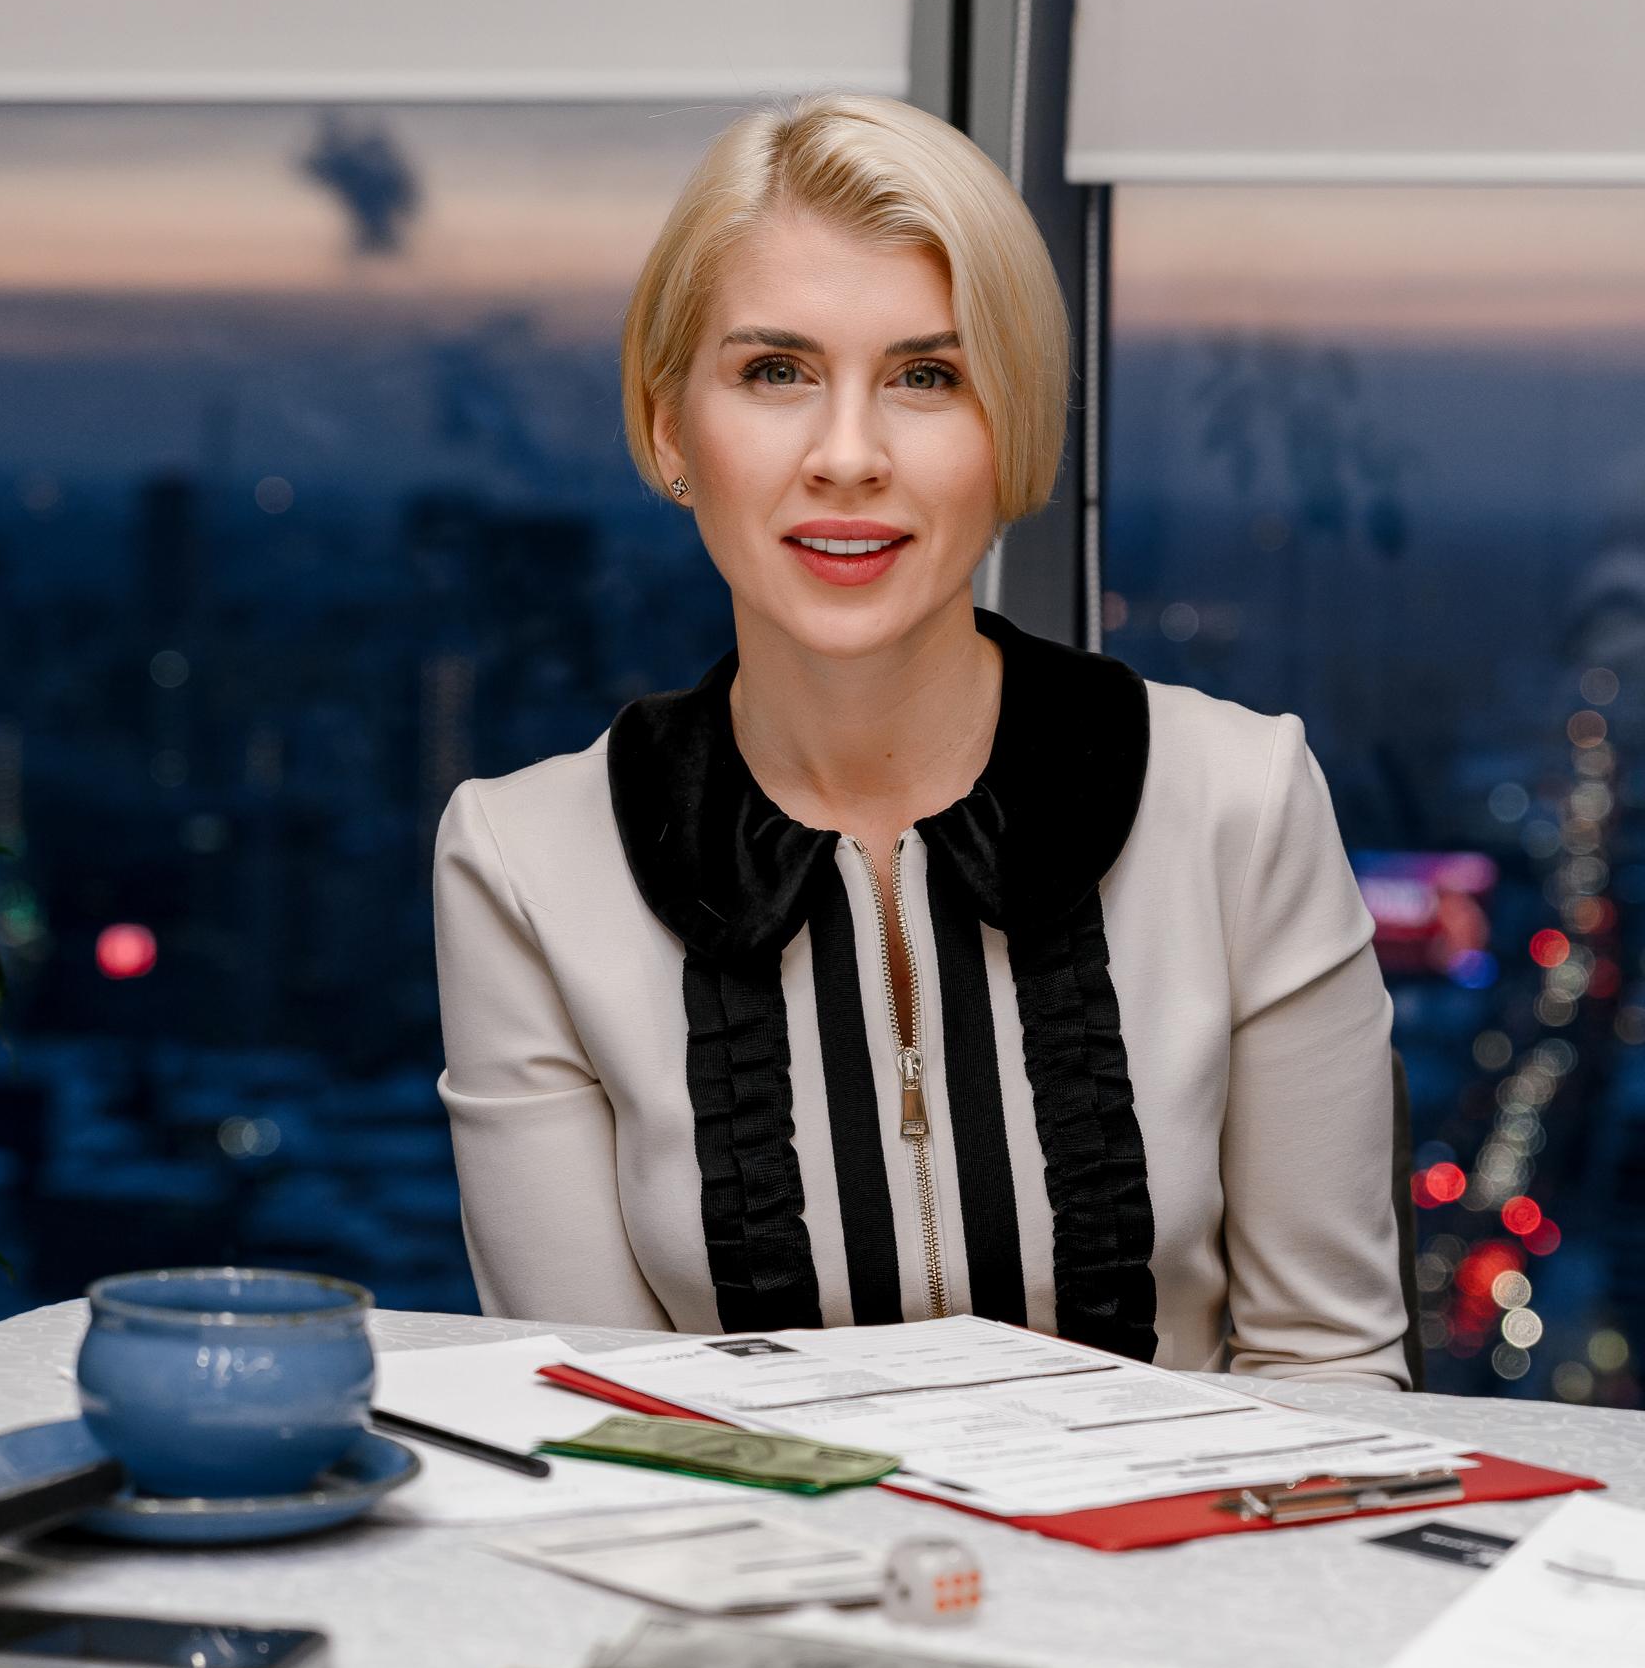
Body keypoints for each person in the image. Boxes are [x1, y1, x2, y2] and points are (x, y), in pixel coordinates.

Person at [432, 94, 1409, 1385]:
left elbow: (1331, 1372)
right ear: (671, 427)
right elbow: (604, 1422)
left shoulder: (1241, 800)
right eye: (775, 372)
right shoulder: (521, 861)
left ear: (1012, 429)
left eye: (927, 377)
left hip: (1192, 1528)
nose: (848, 456)